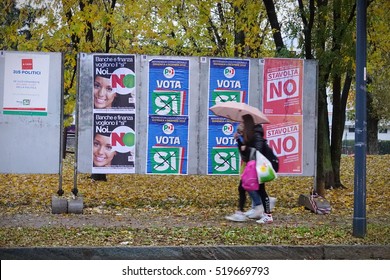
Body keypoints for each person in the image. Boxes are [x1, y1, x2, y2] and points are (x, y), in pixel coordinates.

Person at [226, 114, 275, 224]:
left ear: (247, 123)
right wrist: (239, 140)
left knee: (261, 190)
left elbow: (258, 150)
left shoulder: (256, 134)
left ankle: (267, 214)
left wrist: (246, 147)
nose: (241, 124)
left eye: (243, 122)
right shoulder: (249, 135)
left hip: (258, 166)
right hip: (252, 166)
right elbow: (245, 154)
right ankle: (241, 212)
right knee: (242, 187)